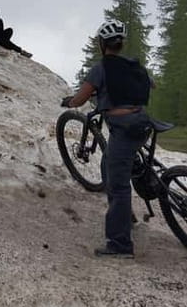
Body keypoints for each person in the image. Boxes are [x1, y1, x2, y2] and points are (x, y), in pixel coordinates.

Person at [61, 19, 152, 259]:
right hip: (143, 122)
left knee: (118, 185)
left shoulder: (101, 68)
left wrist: (69, 102)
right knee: (110, 163)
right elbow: (150, 85)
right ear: (121, 44)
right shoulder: (133, 65)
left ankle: (120, 244)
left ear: (103, 44)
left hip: (123, 129)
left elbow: (80, 100)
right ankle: (127, 216)